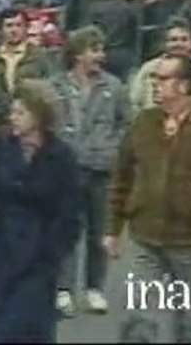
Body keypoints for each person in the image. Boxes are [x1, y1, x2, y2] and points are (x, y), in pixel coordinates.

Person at [105, 54, 191, 344]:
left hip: (190, 241)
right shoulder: (144, 123)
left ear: (184, 85)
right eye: (154, 78)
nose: (154, 84)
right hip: (145, 237)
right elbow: (121, 177)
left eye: (163, 78)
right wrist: (112, 228)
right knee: (140, 316)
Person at [0, 79, 80, 344]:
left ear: (39, 116)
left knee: (21, 329)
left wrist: (53, 249)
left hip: (38, 258)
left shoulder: (62, 156)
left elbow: (70, 210)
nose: (12, 118)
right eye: (12, 112)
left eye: (20, 113)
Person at [52, 27, 131, 318]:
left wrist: (113, 147)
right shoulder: (56, 86)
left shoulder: (114, 86)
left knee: (99, 230)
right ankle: (63, 289)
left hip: (101, 167)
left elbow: (126, 123)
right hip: (67, 168)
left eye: (102, 49)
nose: (101, 55)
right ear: (77, 54)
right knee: (67, 231)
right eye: (94, 49)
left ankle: (94, 288)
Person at [0, 8, 53, 140]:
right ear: (1, 29)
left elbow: (50, 90)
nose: (14, 30)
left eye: (18, 25)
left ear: (26, 28)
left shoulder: (37, 56)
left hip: (29, 124)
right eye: (9, 26)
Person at [130, 18, 191, 111]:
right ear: (165, 43)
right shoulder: (149, 69)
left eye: (184, 39)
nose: (179, 44)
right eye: (173, 40)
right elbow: (136, 100)